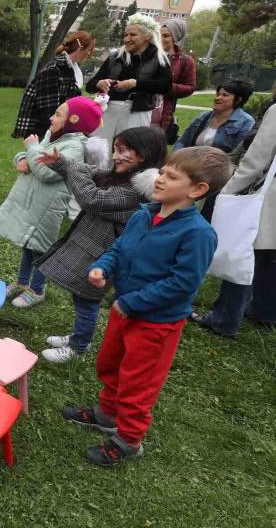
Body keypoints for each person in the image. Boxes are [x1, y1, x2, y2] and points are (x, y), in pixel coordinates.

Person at [62, 146, 232, 466]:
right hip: (123, 311)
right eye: (163, 171)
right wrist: (103, 266)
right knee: (111, 363)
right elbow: (120, 248)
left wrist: (133, 302)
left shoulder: (198, 234)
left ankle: (128, 439)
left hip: (155, 323)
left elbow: (182, 284)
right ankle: (106, 413)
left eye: (172, 176)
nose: (160, 179)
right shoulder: (144, 214)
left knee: (138, 382)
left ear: (197, 190)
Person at [33, 126, 167, 363]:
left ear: (143, 155)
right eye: (115, 150)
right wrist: (62, 162)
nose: (115, 157)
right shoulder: (124, 177)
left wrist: (71, 167)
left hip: (105, 256)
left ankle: (78, 346)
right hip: (94, 249)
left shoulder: (135, 191)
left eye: (123, 151)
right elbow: (95, 172)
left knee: (87, 299)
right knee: (81, 296)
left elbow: (91, 198)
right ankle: (78, 336)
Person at [0, 96, 103, 309]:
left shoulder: (75, 147)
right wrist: (21, 158)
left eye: (58, 114)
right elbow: (34, 156)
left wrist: (30, 149)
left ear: (74, 120)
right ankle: (22, 281)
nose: (51, 117)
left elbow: (45, 171)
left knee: (41, 248)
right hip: (35, 202)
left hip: (48, 207)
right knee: (29, 244)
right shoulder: (54, 136)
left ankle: (37, 289)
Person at [192, 106, 276, 337]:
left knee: (242, 251)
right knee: (269, 254)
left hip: (268, 197)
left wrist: (229, 190)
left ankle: (224, 318)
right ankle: (265, 310)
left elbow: (257, 159)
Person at [85, 13, 171, 145]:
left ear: (147, 36)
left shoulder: (159, 58)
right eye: (125, 35)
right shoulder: (115, 56)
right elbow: (90, 85)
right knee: (98, 152)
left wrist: (135, 84)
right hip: (108, 111)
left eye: (133, 35)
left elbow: (165, 86)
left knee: (129, 153)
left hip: (137, 113)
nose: (127, 39)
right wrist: (99, 83)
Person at [13, 31, 96, 139]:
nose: (89, 54)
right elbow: (47, 110)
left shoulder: (72, 70)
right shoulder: (54, 69)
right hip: (43, 132)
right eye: (89, 50)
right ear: (80, 48)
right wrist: (56, 135)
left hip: (59, 129)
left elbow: (71, 101)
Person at [174, 79, 255, 153]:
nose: (217, 98)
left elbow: (236, 155)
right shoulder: (203, 116)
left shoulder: (246, 122)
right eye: (218, 94)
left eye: (225, 95)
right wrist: (178, 156)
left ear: (238, 100)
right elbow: (182, 142)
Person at [151, 18, 196, 141]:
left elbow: (190, 87)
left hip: (162, 112)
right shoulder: (148, 54)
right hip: (139, 106)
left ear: (175, 38)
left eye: (166, 36)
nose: (161, 39)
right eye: (159, 35)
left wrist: (165, 87)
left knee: (149, 146)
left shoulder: (185, 61)